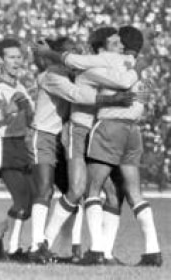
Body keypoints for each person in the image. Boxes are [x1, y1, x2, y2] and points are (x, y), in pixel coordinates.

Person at [34, 27, 141, 264]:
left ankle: (104, 253)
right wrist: (137, 70)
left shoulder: (105, 64)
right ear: (101, 49)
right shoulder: (92, 68)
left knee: (112, 193)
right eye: (115, 43)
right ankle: (45, 243)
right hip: (79, 130)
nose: (120, 47)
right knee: (77, 189)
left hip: (97, 131)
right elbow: (117, 83)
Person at [82, 26, 162, 266]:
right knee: (133, 192)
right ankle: (153, 250)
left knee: (92, 188)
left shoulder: (116, 63)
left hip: (110, 125)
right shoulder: (145, 70)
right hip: (133, 130)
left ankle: (96, 250)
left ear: (122, 45)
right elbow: (144, 100)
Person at [0, 38, 35, 261]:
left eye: (19, 56)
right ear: (0, 60)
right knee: (21, 200)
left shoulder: (20, 86)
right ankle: (14, 249)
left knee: (33, 202)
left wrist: (30, 113)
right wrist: (5, 111)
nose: (16, 61)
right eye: (11, 57)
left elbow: (29, 119)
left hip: (22, 145)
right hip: (3, 145)